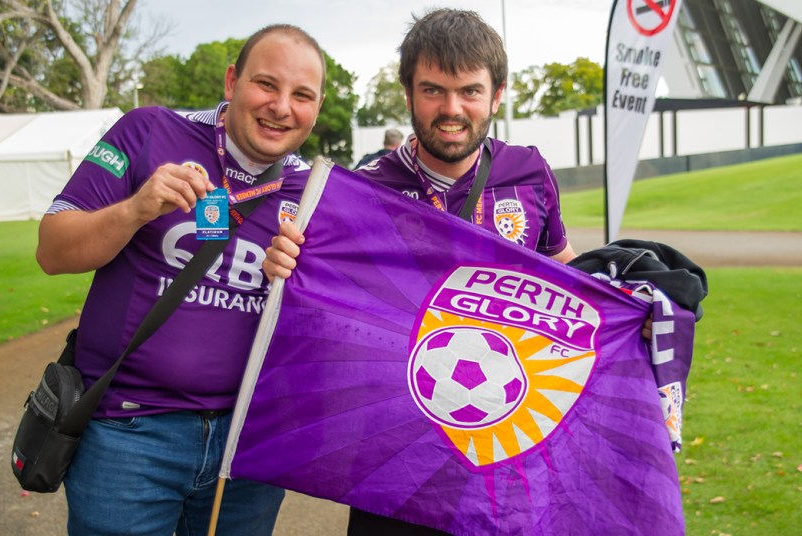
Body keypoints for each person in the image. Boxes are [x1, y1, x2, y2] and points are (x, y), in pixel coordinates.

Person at [263, 9, 580, 535]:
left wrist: (629, 304)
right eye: (433, 90)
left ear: (496, 95)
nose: (452, 109)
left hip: (503, 449)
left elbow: (561, 267)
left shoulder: (528, 170)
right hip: (393, 460)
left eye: (470, 92)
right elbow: (321, 311)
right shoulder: (361, 190)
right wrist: (286, 267)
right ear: (408, 93)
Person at [35, 24, 325, 536]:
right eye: (266, 84)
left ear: (317, 106)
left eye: (302, 95)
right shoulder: (148, 131)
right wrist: (134, 210)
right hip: (129, 434)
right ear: (232, 81)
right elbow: (52, 251)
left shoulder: (314, 191)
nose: (281, 106)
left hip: (245, 446)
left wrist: (300, 281)